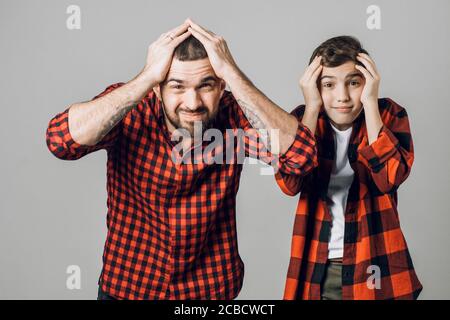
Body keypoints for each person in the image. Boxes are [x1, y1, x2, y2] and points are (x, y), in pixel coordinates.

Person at [46, 19, 318, 299]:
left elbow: (302, 158)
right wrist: (146, 77)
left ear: (221, 85)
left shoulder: (234, 113)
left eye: (206, 85)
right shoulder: (132, 107)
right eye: (177, 86)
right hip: (129, 288)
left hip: (209, 290)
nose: (193, 102)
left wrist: (233, 74)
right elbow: (61, 142)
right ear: (157, 87)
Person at [276, 36, 423, 300]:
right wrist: (311, 107)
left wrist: (370, 103)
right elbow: (289, 183)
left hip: (378, 265)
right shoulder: (302, 120)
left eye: (353, 83)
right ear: (314, 88)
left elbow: (391, 177)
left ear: (367, 83)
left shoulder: (389, 114)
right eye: (328, 85)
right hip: (317, 268)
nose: (342, 96)